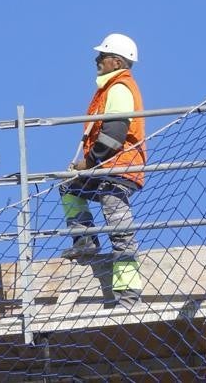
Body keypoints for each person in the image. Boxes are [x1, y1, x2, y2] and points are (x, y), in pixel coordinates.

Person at [59, 33, 146, 308]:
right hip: (107, 168)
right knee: (69, 188)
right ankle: (85, 240)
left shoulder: (120, 88)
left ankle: (128, 295)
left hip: (116, 170)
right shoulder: (110, 88)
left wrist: (90, 161)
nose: (97, 60)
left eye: (102, 56)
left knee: (120, 233)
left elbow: (114, 133)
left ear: (116, 61)